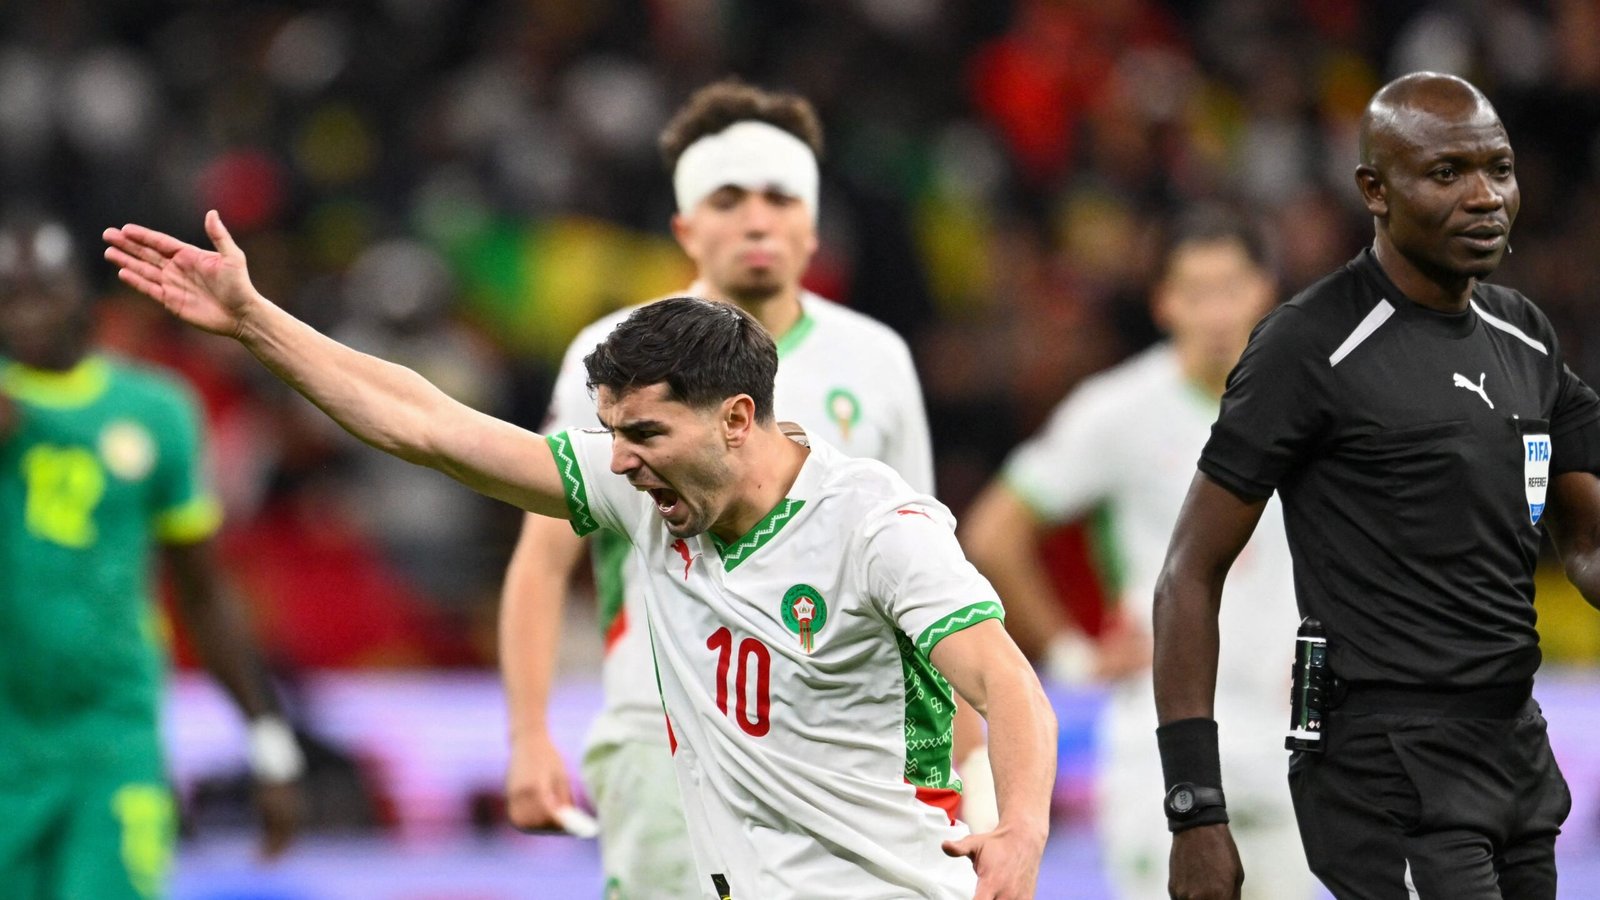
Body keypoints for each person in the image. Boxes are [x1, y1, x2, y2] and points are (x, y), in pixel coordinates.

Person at [104, 215, 1058, 899]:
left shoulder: (876, 527)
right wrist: (256, 323)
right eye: (612, 433)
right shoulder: (644, 491)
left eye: (643, 432)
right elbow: (429, 427)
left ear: (735, 419)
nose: (622, 460)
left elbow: (1009, 687)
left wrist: (1020, 832)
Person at [493, 79, 993, 897]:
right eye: (729, 198)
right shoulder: (613, 353)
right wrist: (526, 734)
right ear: (686, 226)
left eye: (779, 196)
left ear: (812, 220)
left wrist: (968, 759)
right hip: (661, 729)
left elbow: (930, 582)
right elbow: (544, 559)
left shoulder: (878, 359)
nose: (757, 218)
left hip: (840, 752)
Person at [1153, 72, 1600, 900]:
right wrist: (1194, 807)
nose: (1485, 197)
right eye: (1446, 173)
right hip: (1383, 765)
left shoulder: (1527, 337)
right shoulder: (1310, 345)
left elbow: (1587, 543)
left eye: (1498, 170)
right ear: (1375, 191)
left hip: (1516, 753)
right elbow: (1189, 570)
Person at [960, 207, 1313, 899]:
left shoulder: (1312, 403)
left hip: (1286, 734)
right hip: (1163, 740)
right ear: (1163, 301)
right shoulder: (1119, 410)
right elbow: (994, 531)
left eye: (1230, 287)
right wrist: (1073, 655)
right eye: (1194, 291)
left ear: (1264, 290)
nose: (1215, 311)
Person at [0, 215, 304, 899]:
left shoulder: (156, 412)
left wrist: (268, 738)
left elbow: (202, 590)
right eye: (5, 296)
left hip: (113, 735)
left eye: (39, 291)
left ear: (83, 295)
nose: (23, 314)